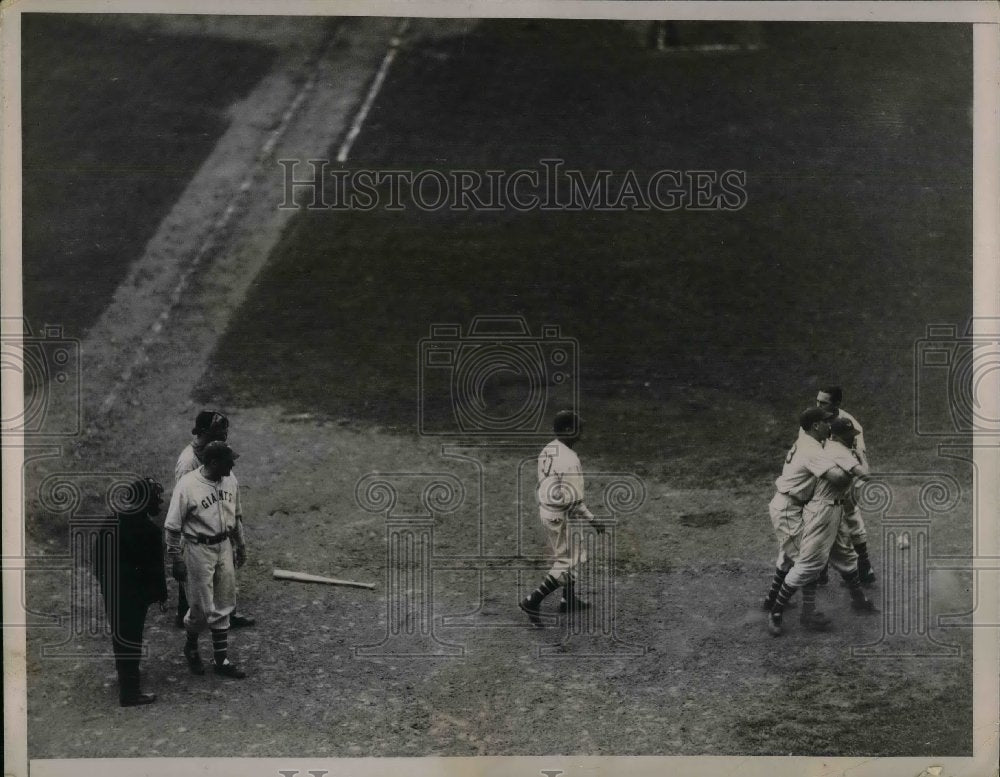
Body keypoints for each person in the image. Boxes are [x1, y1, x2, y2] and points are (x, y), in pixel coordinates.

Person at [769, 417, 875, 636]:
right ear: (836, 436)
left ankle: (859, 600)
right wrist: (861, 457)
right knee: (808, 564)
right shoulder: (838, 449)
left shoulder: (836, 447)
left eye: (853, 436)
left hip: (834, 511)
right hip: (822, 511)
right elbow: (864, 475)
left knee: (845, 556)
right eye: (849, 436)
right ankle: (776, 611)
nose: (852, 440)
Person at [165, 441, 249, 678]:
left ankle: (221, 659)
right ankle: (191, 646)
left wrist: (240, 546)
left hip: (223, 545)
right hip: (197, 548)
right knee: (200, 609)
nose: (233, 463)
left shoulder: (230, 479)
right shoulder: (188, 485)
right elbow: (172, 527)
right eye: (228, 460)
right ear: (213, 462)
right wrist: (175, 559)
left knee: (225, 601)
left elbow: (237, 516)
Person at [519, 410, 606, 627]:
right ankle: (533, 600)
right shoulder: (569, 459)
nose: (581, 434)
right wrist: (592, 519)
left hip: (549, 509)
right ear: (568, 430)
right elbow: (574, 501)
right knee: (568, 561)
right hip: (561, 515)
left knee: (575, 552)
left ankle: (568, 599)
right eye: (578, 429)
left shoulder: (549, 448)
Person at [173, 410, 255, 629]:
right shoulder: (188, 461)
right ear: (204, 432)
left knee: (222, 576)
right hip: (195, 532)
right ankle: (188, 617)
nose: (225, 433)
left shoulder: (219, 452)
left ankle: (226, 614)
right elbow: (182, 505)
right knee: (194, 580)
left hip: (218, 525)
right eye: (220, 429)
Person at [91, 477, 168, 706]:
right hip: (135, 597)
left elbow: (97, 560)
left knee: (121, 637)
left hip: (114, 592)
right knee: (132, 639)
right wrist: (159, 596)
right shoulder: (150, 531)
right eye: (155, 498)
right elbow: (156, 570)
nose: (159, 503)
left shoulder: (112, 521)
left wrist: (107, 584)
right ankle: (130, 692)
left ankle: (126, 680)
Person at [762, 407, 835, 616]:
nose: (829, 425)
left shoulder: (805, 440)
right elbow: (836, 477)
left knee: (787, 556)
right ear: (816, 426)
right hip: (788, 507)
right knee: (808, 560)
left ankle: (771, 599)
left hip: (788, 504)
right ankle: (806, 614)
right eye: (826, 422)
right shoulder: (812, 450)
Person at [801, 386, 875, 586]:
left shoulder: (850, 424)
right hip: (822, 476)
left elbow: (860, 459)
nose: (818, 405)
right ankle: (821, 570)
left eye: (823, 402)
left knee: (849, 518)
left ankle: (864, 566)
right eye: (818, 401)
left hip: (845, 477)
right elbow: (806, 448)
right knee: (820, 518)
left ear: (836, 404)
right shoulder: (813, 419)